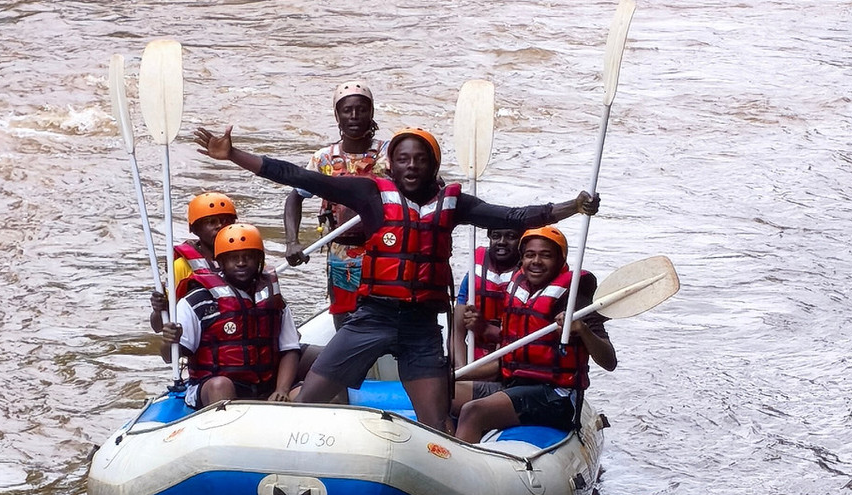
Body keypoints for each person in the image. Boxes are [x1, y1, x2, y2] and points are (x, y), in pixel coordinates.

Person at [192, 123, 598, 433]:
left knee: (435, 425)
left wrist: (573, 206)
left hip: (421, 326)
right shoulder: (370, 195)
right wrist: (234, 155)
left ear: (433, 164)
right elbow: (301, 178)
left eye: (420, 159)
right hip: (372, 318)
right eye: (403, 158)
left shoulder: (452, 204)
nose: (411, 166)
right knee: (310, 396)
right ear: (391, 163)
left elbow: (514, 216)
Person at [454, 226, 616, 443]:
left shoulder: (576, 298)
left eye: (546, 255)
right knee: (441, 391)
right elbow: (508, 360)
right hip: (514, 385)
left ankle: (461, 468)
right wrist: (454, 374)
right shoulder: (519, 289)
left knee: (473, 411)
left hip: (556, 396)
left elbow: (609, 361)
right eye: (530, 255)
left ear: (560, 260)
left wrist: (583, 330)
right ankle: (447, 448)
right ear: (522, 260)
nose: (536, 261)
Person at [283, 80, 389, 330]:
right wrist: (292, 241)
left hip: (384, 252)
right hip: (342, 256)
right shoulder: (323, 159)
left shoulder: (391, 153)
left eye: (362, 109)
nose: (354, 116)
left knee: (385, 321)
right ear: (337, 115)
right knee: (345, 325)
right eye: (347, 110)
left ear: (371, 113)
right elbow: (295, 197)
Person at [160, 223, 301, 407]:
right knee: (221, 386)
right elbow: (169, 357)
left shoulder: (274, 301)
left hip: (267, 386)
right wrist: (167, 341)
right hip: (213, 386)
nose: (241, 263)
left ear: (259, 260)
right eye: (233, 258)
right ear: (221, 262)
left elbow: (289, 348)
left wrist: (282, 389)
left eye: (248, 257)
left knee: (306, 390)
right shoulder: (198, 301)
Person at [149, 191, 238, 334]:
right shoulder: (182, 266)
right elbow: (159, 326)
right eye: (211, 222)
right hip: (202, 338)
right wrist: (159, 309)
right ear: (195, 229)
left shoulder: (247, 260)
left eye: (225, 221)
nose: (220, 226)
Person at [452, 227, 522, 368]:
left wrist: (485, 329)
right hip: (474, 355)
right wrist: (462, 368)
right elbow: (457, 332)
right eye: (496, 235)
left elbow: (524, 339)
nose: (502, 242)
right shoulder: (475, 272)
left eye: (511, 236)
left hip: (509, 359)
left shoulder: (528, 276)